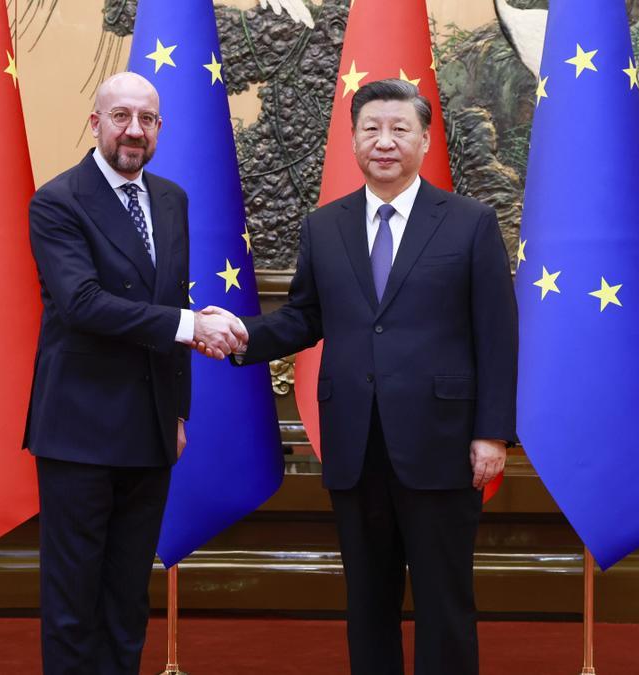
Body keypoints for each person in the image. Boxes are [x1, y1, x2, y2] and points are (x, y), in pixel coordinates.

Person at [214, 78, 517, 674]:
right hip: (356, 442)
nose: (385, 141)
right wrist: (242, 334)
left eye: (400, 129)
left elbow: (498, 333)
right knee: (368, 602)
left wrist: (492, 432)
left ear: (425, 139)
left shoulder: (470, 223)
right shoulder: (324, 227)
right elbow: (305, 316)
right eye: (371, 129)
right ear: (352, 141)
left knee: (443, 601)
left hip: (443, 442)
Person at [25, 71, 245, 675]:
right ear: (94, 123)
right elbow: (82, 303)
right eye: (120, 116)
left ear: (160, 129)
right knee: (74, 599)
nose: (134, 130)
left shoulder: (171, 199)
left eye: (147, 119)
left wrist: (176, 413)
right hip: (79, 432)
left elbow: (168, 299)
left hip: (150, 429)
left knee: (127, 597)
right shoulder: (58, 201)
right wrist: (189, 326)